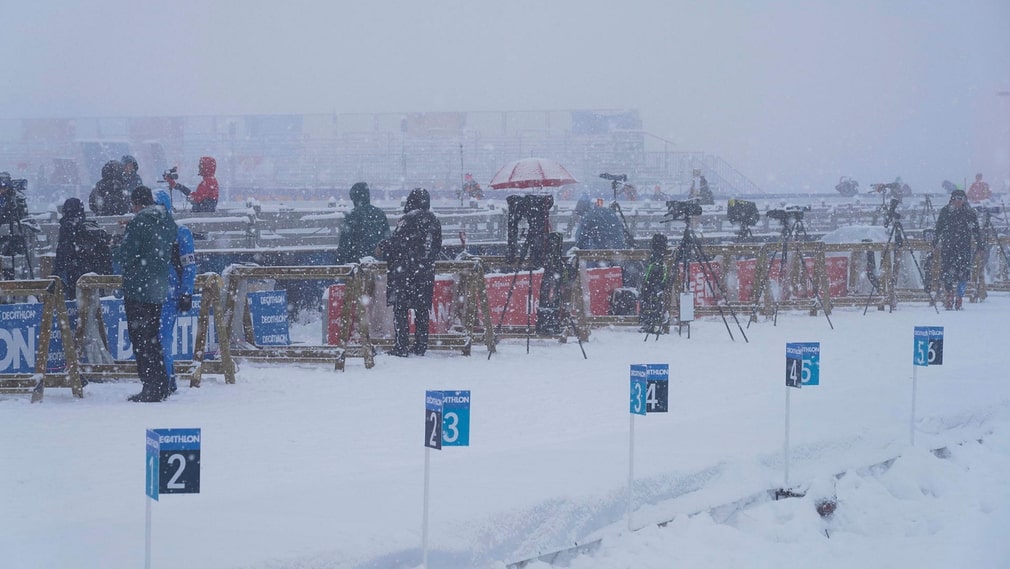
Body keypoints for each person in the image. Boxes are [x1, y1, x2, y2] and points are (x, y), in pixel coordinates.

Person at [113, 186, 178, 402]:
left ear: (136, 203)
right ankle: (162, 383)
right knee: (153, 338)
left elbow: (126, 255)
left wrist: (116, 243)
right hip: (158, 287)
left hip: (138, 288)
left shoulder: (138, 222)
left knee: (140, 339)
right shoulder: (167, 220)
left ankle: (150, 386)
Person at [376, 188, 442, 357]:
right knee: (421, 310)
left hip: (405, 272)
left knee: (401, 309)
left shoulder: (408, 219)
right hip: (425, 272)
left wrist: (383, 245)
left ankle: (401, 346)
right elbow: (437, 247)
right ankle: (421, 346)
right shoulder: (434, 220)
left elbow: (397, 243)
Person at [154, 190, 196, 393]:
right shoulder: (149, 231)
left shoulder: (180, 232)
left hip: (169, 295)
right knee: (154, 340)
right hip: (151, 293)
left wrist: (187, 292)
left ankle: (166, 379)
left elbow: (189, 266)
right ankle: (163, 378)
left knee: (162, 338)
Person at [932, 189, 983, 310]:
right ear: (952, 199)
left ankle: (959, 296)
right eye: (955, 199)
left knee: (964, 273)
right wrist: (934, 242)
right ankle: (949, 294)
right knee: (946, 272)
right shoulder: (946, 211)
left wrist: (980, 245)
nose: (958, 202)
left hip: (963, 247)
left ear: (964, 200)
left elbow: (976, 230)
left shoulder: (969, 213)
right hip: (948, 246)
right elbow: (939, 228)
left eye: (960, 199)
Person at [53, 197, 112, 300]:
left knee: (77, 305)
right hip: (96, 274)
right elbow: (105, 254)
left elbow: (62, 254)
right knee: (96, 304)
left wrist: (55, 275)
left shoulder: (67, 227)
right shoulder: (92, 226)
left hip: (76, 274)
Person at [335, 182, 390, 264]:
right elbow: (387, 238)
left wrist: (339, 261)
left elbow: (345, 243)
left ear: (355, 198)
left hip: (357, 263)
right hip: (379, 263)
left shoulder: (352, 215)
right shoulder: (380, 214)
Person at [0, 172, 31, 279]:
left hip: (14, 239)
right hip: (4, 238)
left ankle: (14, 284)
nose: (2, 190)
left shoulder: (17, 198)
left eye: (4, 187)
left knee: (14, 267)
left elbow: (22, 217)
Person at [639, 233, 669, 334]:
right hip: (657, 286)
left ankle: (650, 323)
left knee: (649, 300)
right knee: (656, 300)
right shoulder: (660, 260)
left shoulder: (654, 258)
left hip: (651, 286)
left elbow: (647, 276)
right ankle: (655, 322)